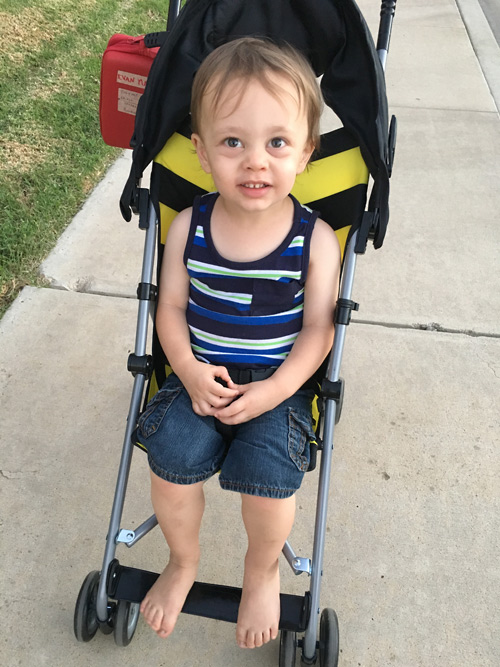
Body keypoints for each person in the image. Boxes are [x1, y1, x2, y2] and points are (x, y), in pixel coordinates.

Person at [137, 37, 341, 650]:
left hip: (278, 388)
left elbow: (319, 329)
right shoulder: (190, 227)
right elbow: (171, 309)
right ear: (201, 152)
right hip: (198, 376)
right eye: (233, 142)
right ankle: (183, 561)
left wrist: (277, 390)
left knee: (269, 479)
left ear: (306, 152)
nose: (255, 162)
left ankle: (261, 572)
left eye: (277, 143)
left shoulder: (315, 240)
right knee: (170, 461)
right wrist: (187, 369)